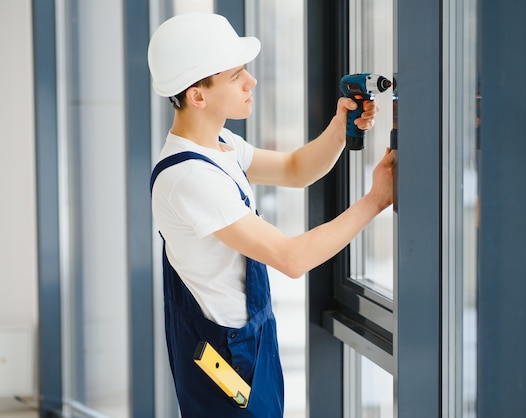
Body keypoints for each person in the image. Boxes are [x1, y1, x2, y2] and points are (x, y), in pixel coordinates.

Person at [147, 12, 394, 417]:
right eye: (236, 76)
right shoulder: (190, 177)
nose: (251, 81)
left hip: (249, 338)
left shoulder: (219, 143)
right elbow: (291, 259)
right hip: (226, 356)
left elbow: (296, 169)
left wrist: (339, 124)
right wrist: (375, 201)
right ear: (198, 95)